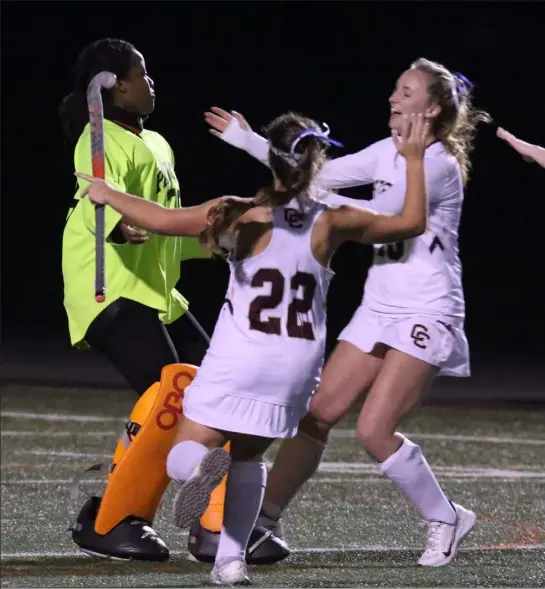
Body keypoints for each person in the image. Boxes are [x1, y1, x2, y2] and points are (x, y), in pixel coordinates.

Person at [77, 109, 430, 585]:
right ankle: (229, 562)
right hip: (295, 365)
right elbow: (412, 221)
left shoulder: (237, 213)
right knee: (249, 459)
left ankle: (200, 465)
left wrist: (106, 194)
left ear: (272, 162)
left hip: (240, 358)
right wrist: (412, 159)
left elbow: (159, 219)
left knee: (183, 456)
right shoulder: (335, 220)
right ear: (315, 163)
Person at [205, 58, 491, 567]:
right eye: (395, 89)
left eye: (406, 92)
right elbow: (316, 177)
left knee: (372, 431)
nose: (392, 98)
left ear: (431, 108)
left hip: (427, 308)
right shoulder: (386, 152)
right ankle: (262, 521)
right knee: (315, 416)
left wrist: (328, 212)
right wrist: (251, 142)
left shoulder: (440, 163)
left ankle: (445, 516)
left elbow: (387, 218)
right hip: (378, 307)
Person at [59, 37, 229, 563]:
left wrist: (217, 245)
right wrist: (116, 225)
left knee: (222, 393)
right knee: (171, 398)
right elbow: (96, 195)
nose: (150, 83)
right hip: (106, 285)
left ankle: (215, 524)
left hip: (156, 291)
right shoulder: (99, 136)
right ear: (114, 86)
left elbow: (166, 221)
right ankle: (110, 521)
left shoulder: (156, 144)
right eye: (142, 74)